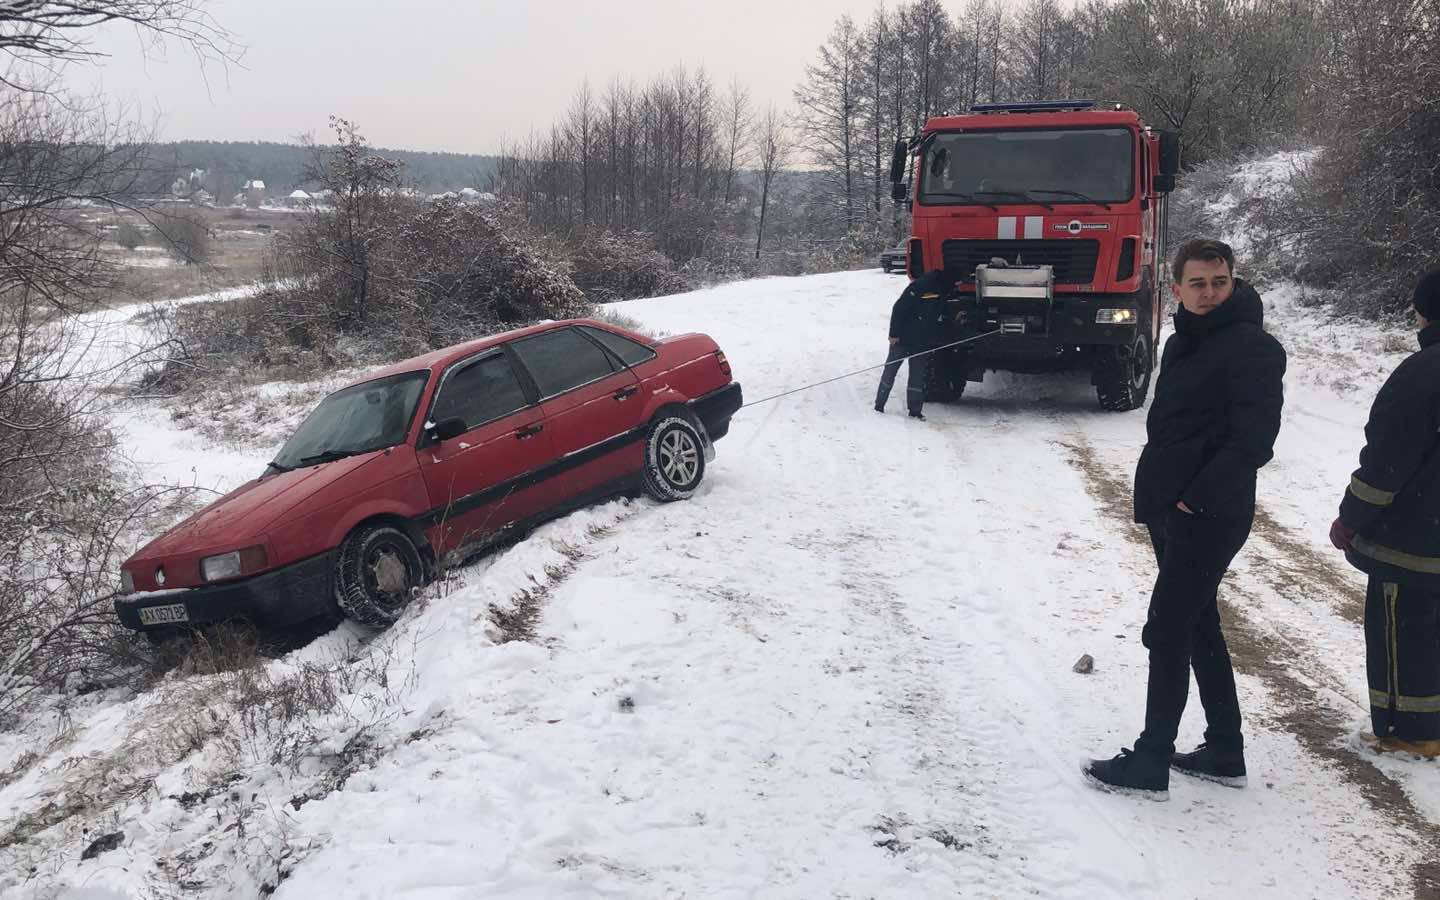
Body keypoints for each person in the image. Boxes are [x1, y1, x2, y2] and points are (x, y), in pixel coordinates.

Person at [1084, 239, 1287, 800]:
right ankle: (1225, 747)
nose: (1209, 293)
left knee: (1169, 627)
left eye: (1218, 282)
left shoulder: (1252, 347)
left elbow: (1253, 442)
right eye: (1197, 284)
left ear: (1233, 281)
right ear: (1176, 288)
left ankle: (1151, 761)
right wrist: (1163, 498)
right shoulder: (1181, 342)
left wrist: (1194, 500)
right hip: (1173, 508)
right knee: (1198, 624)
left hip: (1209, 513)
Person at [1330, 265, 1440, 760]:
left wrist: (1351, 519)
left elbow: (1385, 466)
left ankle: (1410, 732)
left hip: (1413, 544)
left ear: (1424, 312)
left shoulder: (1420, 375)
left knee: (1404, 636)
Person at [875, 267, 950, 420]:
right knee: (890, 371)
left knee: (917, 376)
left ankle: (915, 410)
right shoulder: (918, 288)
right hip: (902, 339)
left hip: (922, 342)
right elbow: (899, 309)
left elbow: (937, 320)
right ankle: (879, 404)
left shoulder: (943, 291)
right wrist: (893, 334)